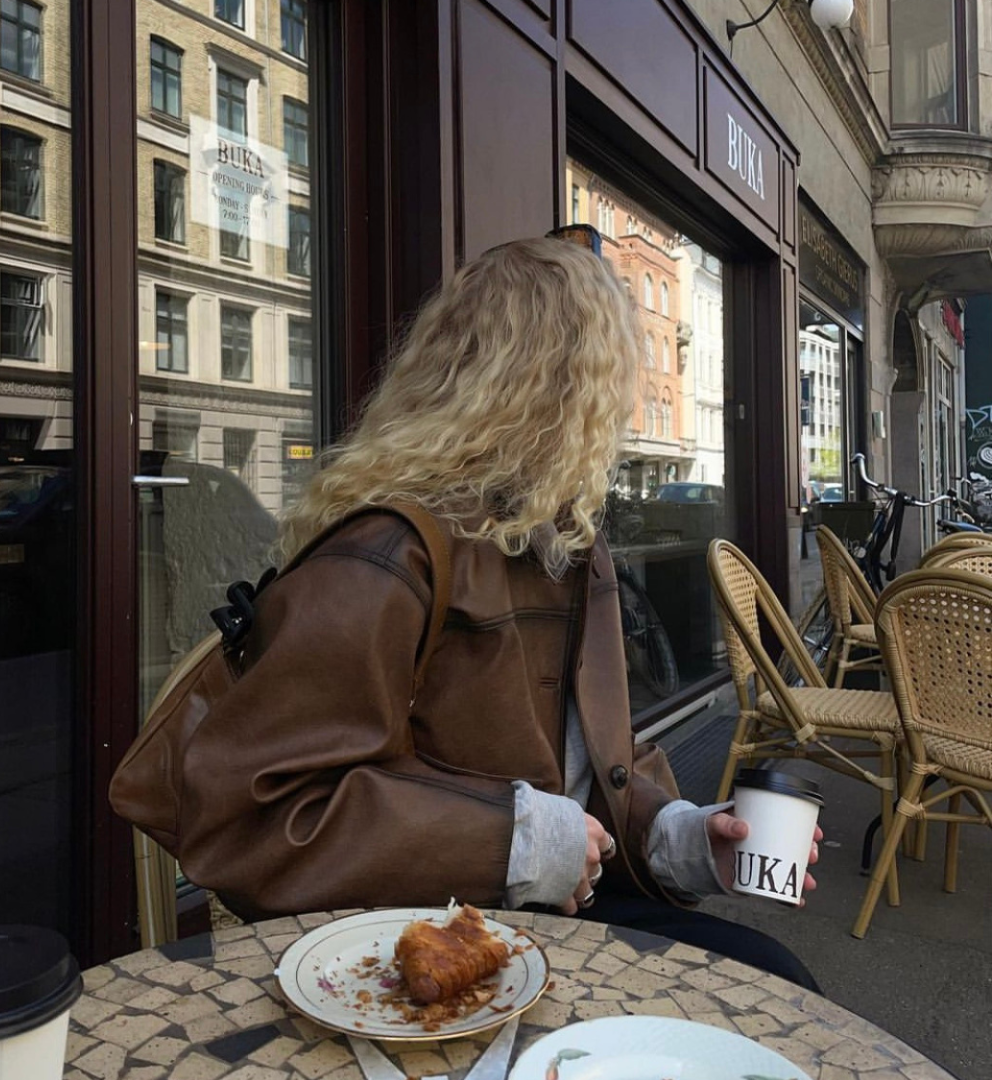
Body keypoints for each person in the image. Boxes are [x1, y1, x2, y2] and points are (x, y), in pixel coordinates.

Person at [177, 228, 822, 991]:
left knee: (776, 977)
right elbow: (255, 814)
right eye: (608, 376)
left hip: (547, 914)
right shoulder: (391, 551)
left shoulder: (568, 546)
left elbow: (594, 774)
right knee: (768, 991)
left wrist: (689, 840)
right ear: (562, 388)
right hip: (427, 936)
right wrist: (516, 840)